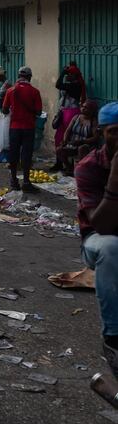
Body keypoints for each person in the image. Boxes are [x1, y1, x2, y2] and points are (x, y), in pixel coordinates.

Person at [74, 101, 118, 375]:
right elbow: (100, 224)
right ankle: (113, 336)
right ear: (102, 132)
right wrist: (115, 180)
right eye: (115, 131)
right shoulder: (89, 167)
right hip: (97, 239)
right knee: (112, 247)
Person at [2, 66, 43, 192]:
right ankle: (26, 181)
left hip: (14, 127)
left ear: (19, 76)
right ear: (29, 77)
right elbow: (39, 112)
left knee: (13, 154)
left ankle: (14, 180)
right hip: (29, 127)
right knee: (26, 154)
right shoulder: (35, 92)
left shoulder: (11, 90)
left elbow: (4, 109)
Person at [54, 99, 99, 176]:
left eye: (86, 107)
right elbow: (67, 131)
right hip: (73, 143)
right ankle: (69, 168)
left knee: (82, 148)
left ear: (91, 110)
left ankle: (80, 170)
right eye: (83, 106)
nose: (83, 108)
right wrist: (64, 141)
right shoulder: (76, 117)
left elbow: (95, 137)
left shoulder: (93, 121)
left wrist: (82, 141)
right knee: (59, 149)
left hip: (86, 145)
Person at [54, 61, 87, 148]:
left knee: (64, 135)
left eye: (69, 74)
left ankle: (64, 155)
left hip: (70, 112)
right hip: (67, 111)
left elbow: (58, 85)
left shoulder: (75, 86)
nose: (67, 76)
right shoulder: (74, 84)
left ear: (74, 76)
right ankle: (61, 156)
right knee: (60, 135)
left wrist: (62, 73)